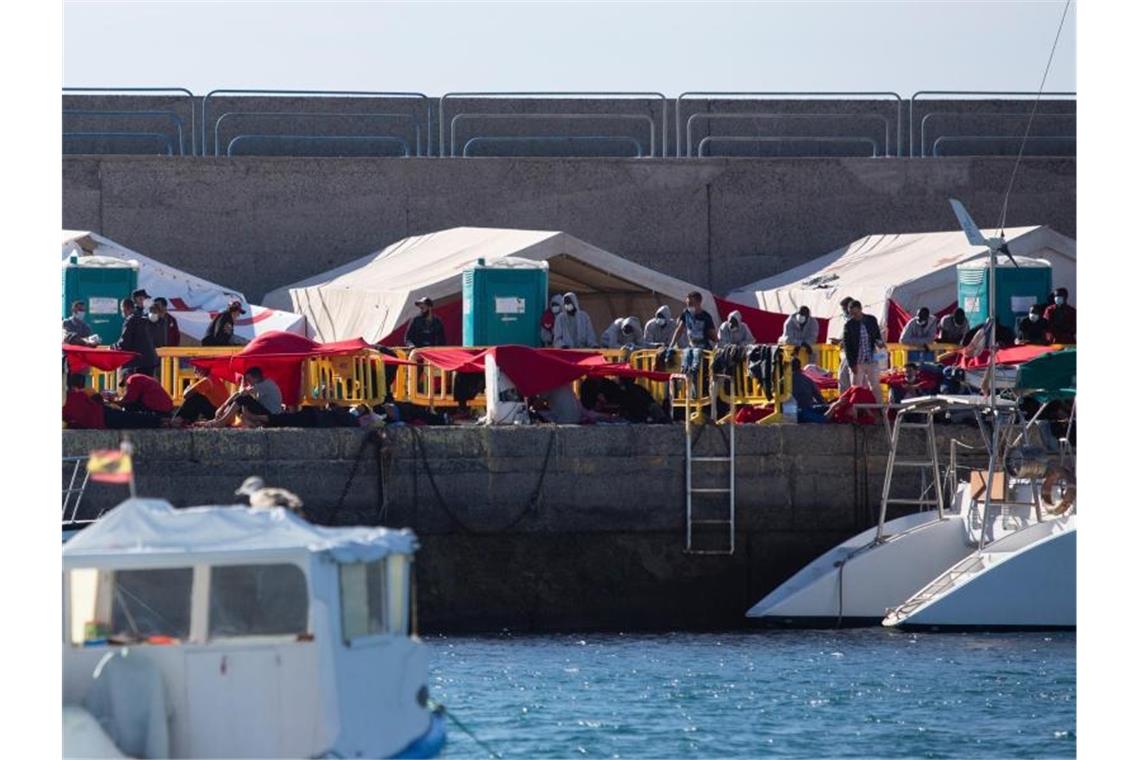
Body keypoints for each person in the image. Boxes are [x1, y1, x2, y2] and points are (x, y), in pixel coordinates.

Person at [200, 366, 284, 427]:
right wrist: (223, 407)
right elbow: (237, 394)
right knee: (240, 398)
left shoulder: (265, 384)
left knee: (244, 398)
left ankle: (222, 421)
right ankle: (219, 420)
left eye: (249, 380)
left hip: (272, 417)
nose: (248, 383)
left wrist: (242, 384)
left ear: (256, 378)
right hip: (264, 413)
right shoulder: (261, 384)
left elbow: (242, 393)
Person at [842, 299, 885, 404]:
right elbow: (847, 347)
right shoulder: (849, 325)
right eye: (852, 314)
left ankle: (880, 410)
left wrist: (879, 343)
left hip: (871, 358)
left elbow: (877, 335)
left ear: (861, 309)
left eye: (856, 313)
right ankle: (856, 413)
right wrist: (852, 365)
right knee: (856, 388)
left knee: (875, 386)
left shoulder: (871, 320)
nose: (854, 316)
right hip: (858, 361)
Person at [112, 297, 159, 378]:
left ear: (125, 308)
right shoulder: (144, 318)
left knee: (136, 387)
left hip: (138, 363)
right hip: (150, 361)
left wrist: (112, 347)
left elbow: (124, 343)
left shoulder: (131, 320)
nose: (122, 313)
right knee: (147, 386)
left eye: (122, 310)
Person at [790, 357, 828, 423]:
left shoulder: (783, 382)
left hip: (791, 412)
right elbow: (819, 398)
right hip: (805, 411)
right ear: (800, 367)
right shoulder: (808, 380)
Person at [833, 296, 855, 392]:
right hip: (847, 355)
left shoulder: (855, 321)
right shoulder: (848, 322)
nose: (843, 312)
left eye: (844, 309)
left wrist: (841, 342)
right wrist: (840, 341)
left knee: (845, 380)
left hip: (852, 356)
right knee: (845, 380)